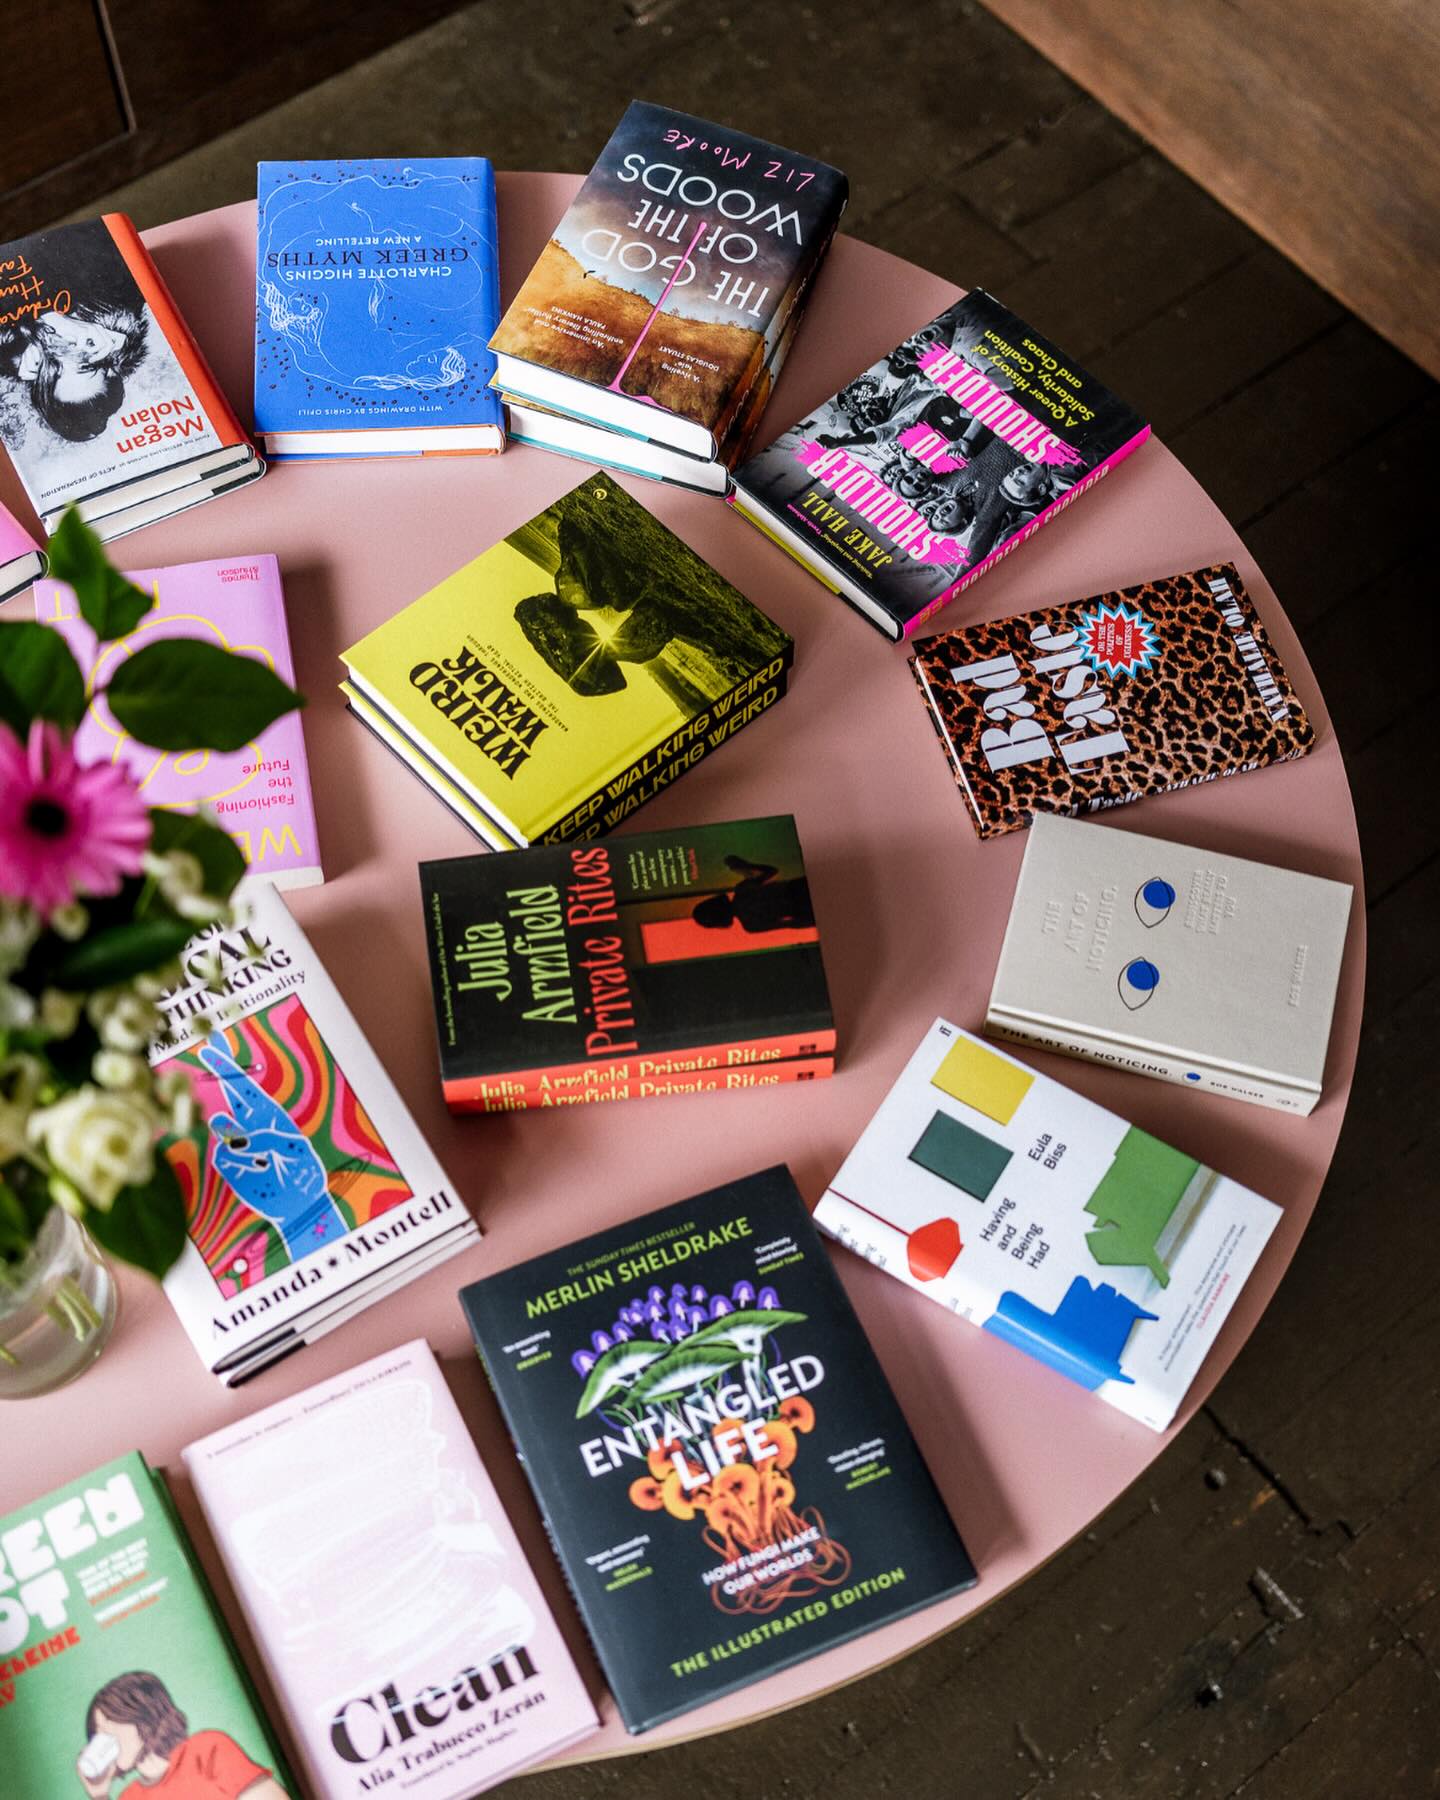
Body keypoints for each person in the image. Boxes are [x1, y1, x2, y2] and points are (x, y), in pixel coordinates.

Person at [77, 1671, 288, 1798]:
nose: (103, 1737)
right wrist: (99, 1796)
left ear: (144, 1714)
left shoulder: (206, 1750)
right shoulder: (130, 1797)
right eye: (98, 1730)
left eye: (111, 1722)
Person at [2, 303, 147, 442]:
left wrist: (43, 318)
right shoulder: (122, 302)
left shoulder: (9, 353)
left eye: (56, 370)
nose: (63, 355)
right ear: (109, 363)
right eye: (83, 365)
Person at [691, 854, 816, 935]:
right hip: (798, 887)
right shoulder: (741, 890)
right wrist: (746, 867)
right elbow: (772, 871)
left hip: (802, 910)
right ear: (713, 901)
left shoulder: (751, 925)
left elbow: (791, 923)